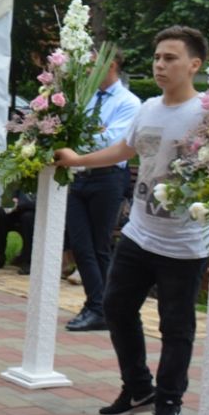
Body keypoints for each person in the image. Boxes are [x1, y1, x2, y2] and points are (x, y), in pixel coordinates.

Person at [56, 26, 209, 415]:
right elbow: (125, 149)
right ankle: (139, 388)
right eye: (157, 57)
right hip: (140, 233)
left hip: (185, 242)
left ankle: (170, 400)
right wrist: (77, 160)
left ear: (194, 65)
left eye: (170, 58)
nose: (160, 65)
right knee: (116, 308)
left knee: (176, 326)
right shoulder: (147, 108)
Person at [64, 49, 142, 332]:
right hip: (79, 176)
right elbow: (73, 132)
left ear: (111, 65)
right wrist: (90, 133)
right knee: (80, 244)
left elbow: (110, 141)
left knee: (98, 245)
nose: (88, 70)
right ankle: (98, 305)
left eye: (92, 64)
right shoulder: (85, 98)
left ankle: (101, 308)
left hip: (107, 178)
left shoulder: (129, 102)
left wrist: (84, 137)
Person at [0, 188, 35, 274]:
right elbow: (16, 189)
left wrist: (20, 204)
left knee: (27, 218)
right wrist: (13, 199)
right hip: (19, 208)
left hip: (35, 211)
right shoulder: (26, 179)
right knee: (0, 213)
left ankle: (28, 260)